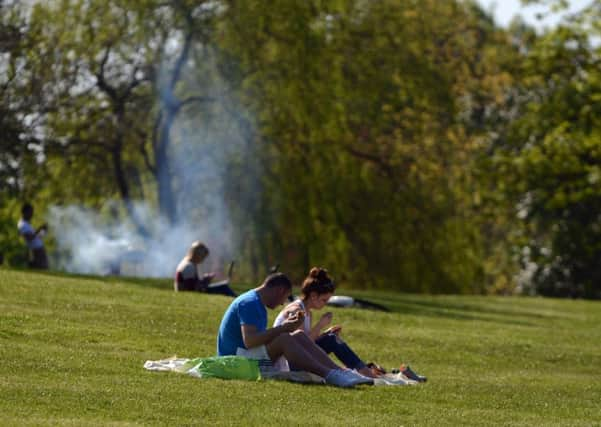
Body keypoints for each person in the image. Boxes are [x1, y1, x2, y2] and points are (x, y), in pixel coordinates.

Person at [216, 272, 373, 387]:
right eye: (285, 298)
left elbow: (257, 340)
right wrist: (284, 328)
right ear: (280, 291)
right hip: (236, 362)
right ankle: (330, 375)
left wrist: (287, 328)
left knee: (297, 334)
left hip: (245, 356)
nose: (282, 304)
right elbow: (250, 341)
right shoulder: (249, 303)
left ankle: (340, 372)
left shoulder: (256, 302)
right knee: (285, 337)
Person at [274, 267, 380, 378]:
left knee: (331, 337)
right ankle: (365, 373)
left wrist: (325, 334)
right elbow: (300, 344)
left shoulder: (307, 312)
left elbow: (308, 342)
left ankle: (363, 371)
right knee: (331, 339)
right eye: (324, 300)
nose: (325, 304)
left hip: (296, 359)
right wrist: (320, 324)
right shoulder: (296, 311)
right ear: (314, 296)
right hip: (288, 364)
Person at [17, 203, 49, 269]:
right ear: (24, 212)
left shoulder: (27, 224)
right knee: (41, 268)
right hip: (35, 251)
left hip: (39, 250)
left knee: (44, 268)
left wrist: (43, 231)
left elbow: (35, 237)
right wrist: (39, 229)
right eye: (30, 212)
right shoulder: (22, 224)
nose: (32, 214)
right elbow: (29, 238)